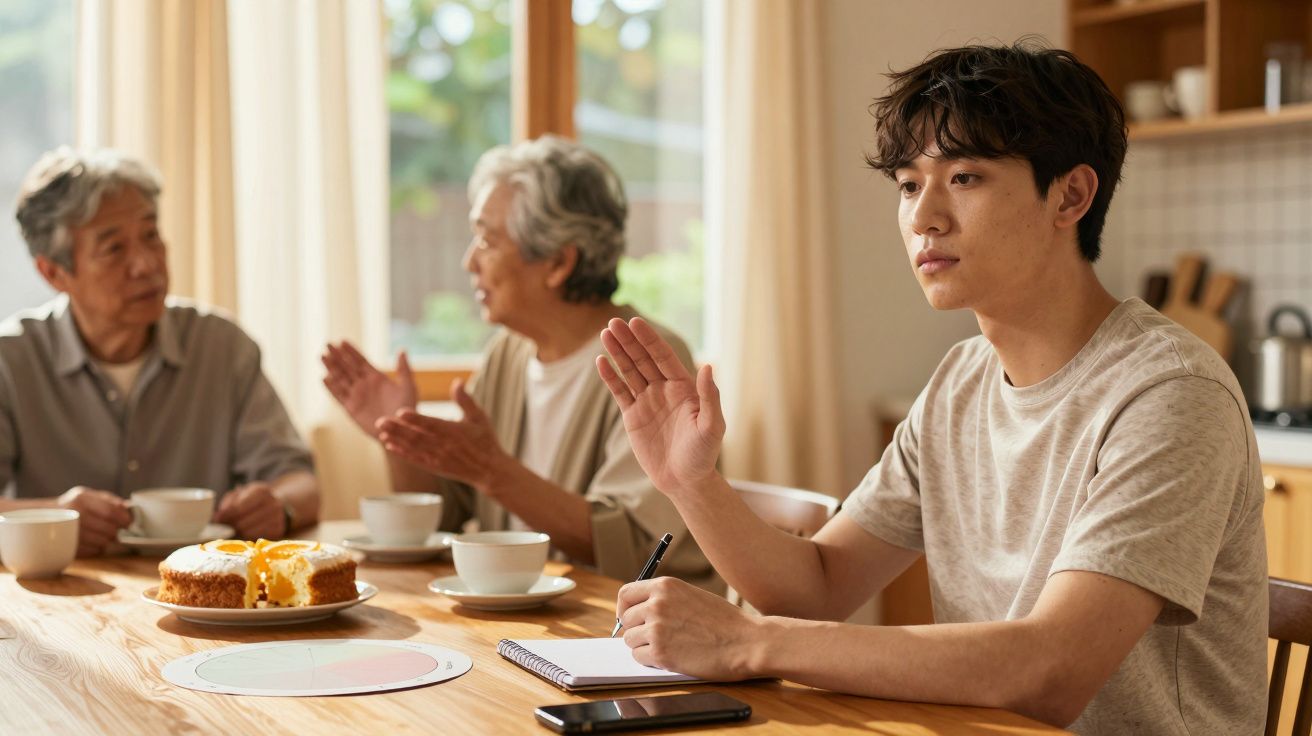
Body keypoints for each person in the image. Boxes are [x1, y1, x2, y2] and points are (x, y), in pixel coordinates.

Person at [596, 43, 1266, 734]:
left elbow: (1052, 670)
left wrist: (746, 641)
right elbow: (820, 587)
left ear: (1070, 195)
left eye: (966, 177)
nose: (923, 218)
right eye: (909, 185)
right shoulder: (960, 382)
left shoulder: (1171, 393)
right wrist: (692, 482)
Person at [322, 136, 715, 589]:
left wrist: (492, 470)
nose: (470, 260)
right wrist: (400, 434)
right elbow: (450, 512)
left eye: (487, 240)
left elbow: (636, 550)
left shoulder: (647, 360)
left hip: (614, 637)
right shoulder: (507, 354)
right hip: (521, 624)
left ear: (557, 263)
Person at [1, 148, 320, 556]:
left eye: (151, 235)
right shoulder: (10, 359)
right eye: (114, 249)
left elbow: (299, 479)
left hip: (208, 597)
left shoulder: (221, 346)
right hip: (64, 604)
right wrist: (55, 516)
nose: (147, 264)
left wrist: (279, 506)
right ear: (54, 272)